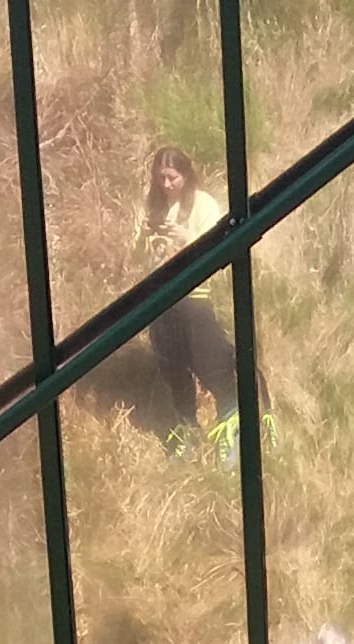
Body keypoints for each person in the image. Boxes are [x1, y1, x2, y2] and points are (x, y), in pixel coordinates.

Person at [134, 145, 239, 436]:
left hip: (194, 296)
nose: (166, 185)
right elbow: (138, 260)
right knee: (171, 365)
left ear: (186, 176)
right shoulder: (154, 206)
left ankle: (230, 417)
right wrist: (144, 237)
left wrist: (186, 237)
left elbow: (217, 249)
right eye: (161, 178)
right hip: (159, 296)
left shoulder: (203, 204)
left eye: (172, 178)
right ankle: (186, 426)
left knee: (207, 360)